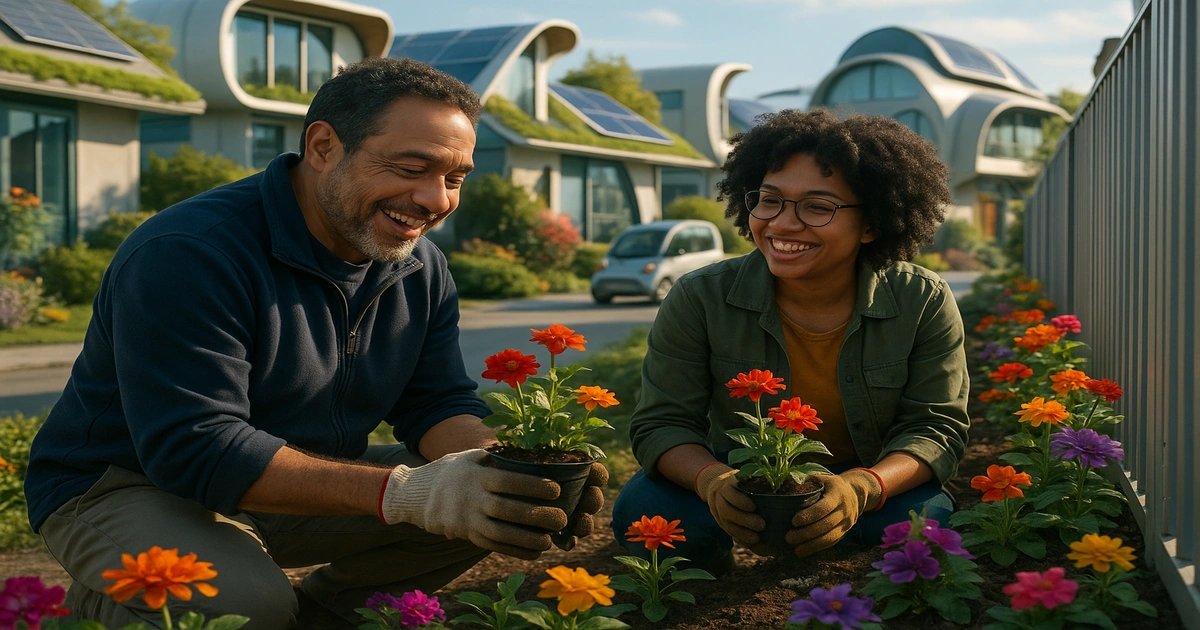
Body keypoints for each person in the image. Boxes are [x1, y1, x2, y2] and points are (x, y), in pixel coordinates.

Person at [24, 57, 605, 628]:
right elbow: (194, 447)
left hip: (292, 479)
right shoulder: (191, 252)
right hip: (126, 485)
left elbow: (436, 404)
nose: (438, 200)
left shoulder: (418, 267)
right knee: (246, 608)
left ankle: (322, 618)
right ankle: (89, 611)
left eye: (454, 179)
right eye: (410, 168)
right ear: (323, 147)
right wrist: (406, 493)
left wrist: (518, 466)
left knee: (495, 508)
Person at [612, 109, 969, 571]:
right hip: (739, 473)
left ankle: (837, 564)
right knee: (646, 514)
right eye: (769, 200)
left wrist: (863, 488)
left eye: (818, 207)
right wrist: (713, 482)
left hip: (865, 473)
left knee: (924, 529)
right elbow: (661, 424)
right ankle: (711, 582)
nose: (782, 224)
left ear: (871, 224)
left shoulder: (923, 299)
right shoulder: (699, 297)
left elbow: (936, 428)